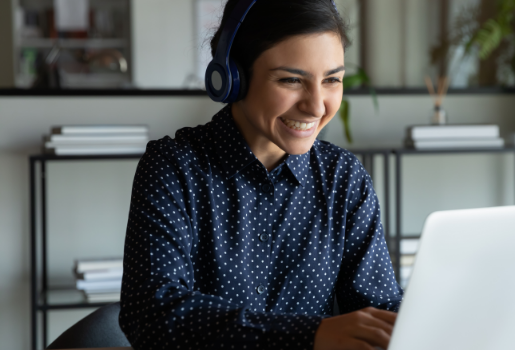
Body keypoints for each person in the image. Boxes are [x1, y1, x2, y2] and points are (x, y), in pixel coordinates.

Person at [118, 1, 403, 349]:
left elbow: (380, 308)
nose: (316, 106)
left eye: (332, 80)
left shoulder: (342, 177)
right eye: (291, 79)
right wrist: (309, 336)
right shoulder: (174, 168)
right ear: (232, 77)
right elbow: (152, 314)